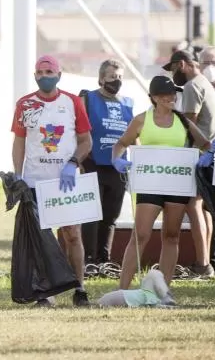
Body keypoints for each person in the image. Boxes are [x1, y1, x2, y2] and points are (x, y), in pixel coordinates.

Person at [111, 75, 215, 299]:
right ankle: (122, 289)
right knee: (140, 235)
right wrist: (117, 159)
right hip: (150, 184)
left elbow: (205, 144)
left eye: (173, 94)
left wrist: (210, 152)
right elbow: (121, 143)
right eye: (166, 94)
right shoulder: (142, 120)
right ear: (154, 97)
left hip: (176, 185)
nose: (172, 97)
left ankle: (164, 292)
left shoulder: (183, 121)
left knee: (171, 236)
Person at [11, 54, 92, 307]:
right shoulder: (25, 104)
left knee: (72, 235)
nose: (44, 76)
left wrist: (73, 163)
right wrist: (18, 175)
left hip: (66, 182)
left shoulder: (73, 102)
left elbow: (86, 141)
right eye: (40, 72)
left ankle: (79, 288)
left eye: (49, 72)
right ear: (35, 75)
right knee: (41, 239)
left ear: (59, 75)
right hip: (35, 181)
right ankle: (46, 292)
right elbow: (19, 142)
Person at [164, 49, 215, 277]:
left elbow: (189, 124)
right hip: (208, 154)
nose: (173, 74)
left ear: (182, 64)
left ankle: (203, 264)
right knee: (202, 208)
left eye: (173, 69)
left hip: (196, 154)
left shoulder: (191, 86)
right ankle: (205, 261)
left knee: (193, 206)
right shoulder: (205, 82)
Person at [79, 60, 133, 275]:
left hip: (117, 166)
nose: (116, 81)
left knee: (111, 215)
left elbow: (133, 134)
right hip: (93, 162)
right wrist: (79, 161)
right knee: (92, 213)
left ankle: (104, 259)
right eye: (112, 77)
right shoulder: (88, 98)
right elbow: (78, 130)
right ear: (101, 79)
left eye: (119, 77)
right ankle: (89, 260)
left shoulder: (127, 103)